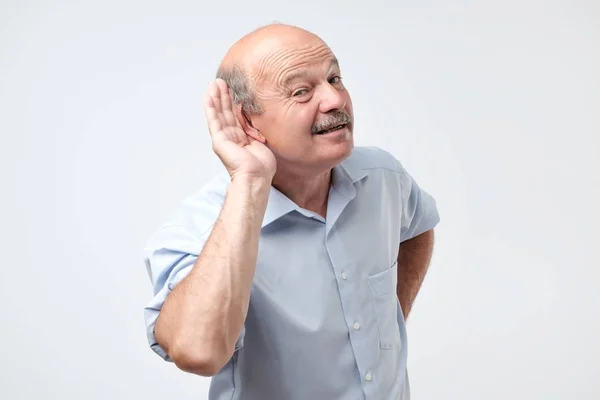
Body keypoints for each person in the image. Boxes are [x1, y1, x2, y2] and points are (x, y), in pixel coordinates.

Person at [143, 23, 440, 400]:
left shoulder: (382, 178)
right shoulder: (203, 226)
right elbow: (198, 353)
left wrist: (391, 323)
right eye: (301, 92)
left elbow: (417, 227)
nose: (335, 100)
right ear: (247, 121)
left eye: (335, 78)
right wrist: (250, 182)